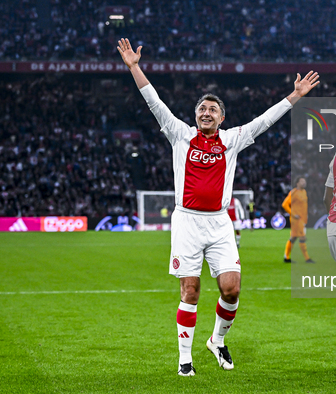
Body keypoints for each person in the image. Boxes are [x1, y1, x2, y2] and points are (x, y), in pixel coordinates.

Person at [117, 38, 319, 376]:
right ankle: (185, 359)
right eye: (201, 109)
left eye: (212, 109)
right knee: (191, 290)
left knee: (232, 287)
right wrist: (135, 67)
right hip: (187, 222)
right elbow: (154, 102)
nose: (206, 112)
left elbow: (265, 120)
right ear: (195, 116)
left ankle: (217, 340)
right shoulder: (179, 134)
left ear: (221, 117)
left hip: (220, 223)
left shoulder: (232, 140)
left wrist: (295, 96)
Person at [282, 176, 314, 263]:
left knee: (293, 238)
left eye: (304, 181)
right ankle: (307, 259)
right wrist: (293, 214)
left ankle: (286, 257)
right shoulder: (294, 192)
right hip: (296, 220)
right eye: (302, 181)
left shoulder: (304, 192)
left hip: (302, 219)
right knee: (302, 237)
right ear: (297, 183)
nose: (304, 183)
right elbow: (284, 204)